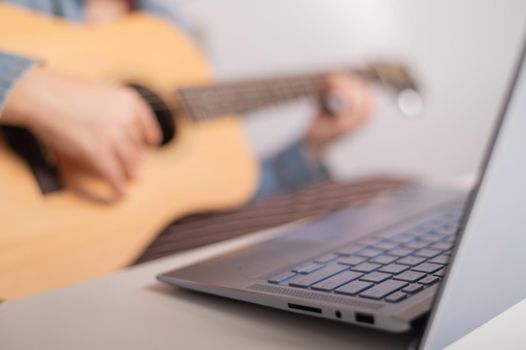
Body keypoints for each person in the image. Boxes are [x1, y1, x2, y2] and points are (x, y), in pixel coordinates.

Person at [0, 0, 374, 200]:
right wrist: (34, 93)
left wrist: (313, 144)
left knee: (372, 196)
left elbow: (215, 189)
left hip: (111, 248)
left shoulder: (173, 32)